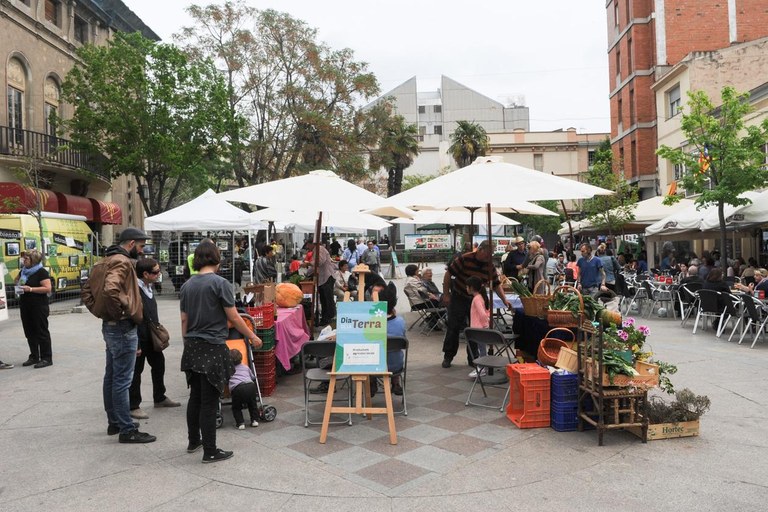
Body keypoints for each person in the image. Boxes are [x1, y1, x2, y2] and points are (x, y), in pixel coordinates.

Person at [180, 240, 263, 463]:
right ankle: (210, 450)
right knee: (209, 400)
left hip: (192, 346)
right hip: (213, 347)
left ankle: (193, 440)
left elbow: (184, 320)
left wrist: (187, 343)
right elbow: (234, 317)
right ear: (216, 259)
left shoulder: (187, 286)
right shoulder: (220, 283)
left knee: (195, 397)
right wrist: (252, 336)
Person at [81, 227, 156, 443]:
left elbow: (87, 291)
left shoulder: (103, 261)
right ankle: (126, 429)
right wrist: (120, 314)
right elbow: (109, 290)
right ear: (131, 243)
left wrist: (102, 313)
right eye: (140, 247)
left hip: (112, 326)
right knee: (122, 380)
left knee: (112, 376)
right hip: (121, 327)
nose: (141, 252)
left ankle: (115, 422)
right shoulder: (122, 262)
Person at [441, 240, 510, 368]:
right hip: (459, 296)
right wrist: (446, 294)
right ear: (480, 250)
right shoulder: (464, 259)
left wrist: (504, 300)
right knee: (453, 327)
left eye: (492, 254)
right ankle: (448, 356)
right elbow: (448, 274)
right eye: (488, 254)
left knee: (474, 328)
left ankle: (473, 358)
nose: (490, 257)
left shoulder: (489, 266)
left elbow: (496, 284)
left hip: (476, 299)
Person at [129, 258, 180, 420]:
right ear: (145, 274)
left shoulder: (148, 286)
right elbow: (132, 317)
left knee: (159, 364)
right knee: (137, 371)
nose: (159, 274)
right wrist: (136, 343)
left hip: (151, 336)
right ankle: (133, 405)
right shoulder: (135, 290)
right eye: (156, 272)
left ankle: (159, 397)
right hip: (140, 337)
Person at [16, 250, 53, 368]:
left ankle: (46, 358)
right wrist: (19, 282)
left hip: (38, 306)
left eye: (26, 259)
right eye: (24, 259)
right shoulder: (24, 271)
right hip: (25, 305)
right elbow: (16, 280)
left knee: (41, 331)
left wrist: (31, 289)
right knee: (29, 331)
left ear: (33, 260)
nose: (24, 260)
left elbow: (47, 288)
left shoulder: (41, 272)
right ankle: (34, 356)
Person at [379, 282, 405, 396]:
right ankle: (395, 383)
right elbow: (403, 342)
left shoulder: (371, 323)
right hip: (396, 365)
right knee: (394, 351)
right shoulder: (400, 321)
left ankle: (371, 383)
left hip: (375, 366)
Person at [227, 348, 260, 430]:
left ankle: (240, 423)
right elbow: (253, 377)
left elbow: (226, 380)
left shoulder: (228, 370)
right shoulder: (245, 367)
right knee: (252, 404)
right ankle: (254, 420)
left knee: (236, 407)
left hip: (237, 388)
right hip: (250, 386)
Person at [305, 242, 337, 325]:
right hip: (322, 278)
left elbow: (319, 262)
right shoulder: (315, 251)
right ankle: (324, 318)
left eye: (308, 244)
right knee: (323, 299)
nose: (307, 246)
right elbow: (314, 266)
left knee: (327, 299)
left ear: (312, 243)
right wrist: (307, 273)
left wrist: (308, 263)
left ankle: (329, 318)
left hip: (327, 277)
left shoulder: (320, 249)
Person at [466, 276, 490, 379]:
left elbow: (482, 314)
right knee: (481, 348)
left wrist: (485, 325)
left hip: (479, 328)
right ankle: (482, 367)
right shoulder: (479, 297)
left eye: (467, 287)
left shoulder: (477, 299)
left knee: (481, 349)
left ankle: (482, 368)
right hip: (479, 328)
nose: (466, 289)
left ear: (471, 287)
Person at [403, 264, 441, 329]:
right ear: (414, 271)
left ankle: (432, 319)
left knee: (442, 302)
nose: (418, 272)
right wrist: (421, 282)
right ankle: (432, 320)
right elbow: (422, 292)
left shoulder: (409, 280)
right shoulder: (412, 280)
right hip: (420, 303)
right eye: (417, 271)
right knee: (445, 303)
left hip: (418, 302)